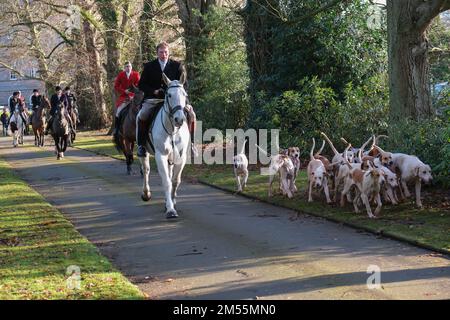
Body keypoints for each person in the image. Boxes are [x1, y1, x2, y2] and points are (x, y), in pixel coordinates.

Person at [136, 41, 197, 157]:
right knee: (142, 115)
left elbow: (185, 84)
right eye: (161, 52)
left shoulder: (177, 65)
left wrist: (179, 94)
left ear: (169, 52)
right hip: (155, 99)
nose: (164, 54)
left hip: (176, 100)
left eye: (166, 52)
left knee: (192, 115)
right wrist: (153, 91)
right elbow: (141, 84)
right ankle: (141, 145)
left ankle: (192, 144)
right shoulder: (149, 66)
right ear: (157, 53)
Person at [113, 61, 140, 137]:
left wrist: (132, 94)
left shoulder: (136, 74)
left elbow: (139, 86)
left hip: (135, 97)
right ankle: (116, 129)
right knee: (118, 112)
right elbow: (116, 86)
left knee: (142, 110)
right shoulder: (121, 75)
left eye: (130, 66)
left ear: (131, 67)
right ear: (124, 68)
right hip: (124, 97)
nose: (128, 68)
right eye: (127, 66)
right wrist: (124, 91)